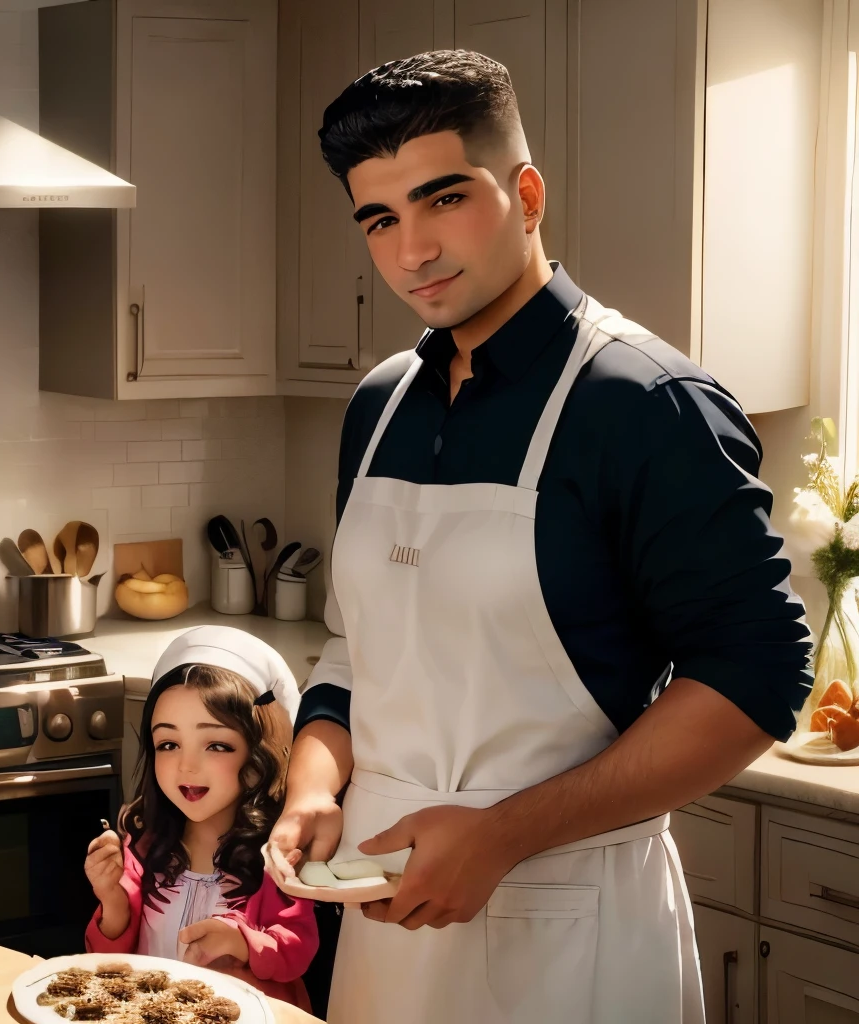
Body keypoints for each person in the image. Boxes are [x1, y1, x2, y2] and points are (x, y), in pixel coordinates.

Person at [265, 50, 813, 1023]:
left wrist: (504, 833)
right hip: (381, 934)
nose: (412, 252)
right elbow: (357, 649)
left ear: (526, 192)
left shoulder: (648, 404)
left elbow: (758, 674)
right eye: (380, 219)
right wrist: (315, 780)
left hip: (576, 941)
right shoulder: (378, 407)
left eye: (443, 200)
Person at [84, 626, 319, 1009]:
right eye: (169, 744)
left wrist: (243, 943)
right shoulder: (142, 846)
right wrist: (111, 898)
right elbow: (105, 954)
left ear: (258, 758)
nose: (186, 766)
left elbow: (297, 950)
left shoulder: (279, 858)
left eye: (216, 745)